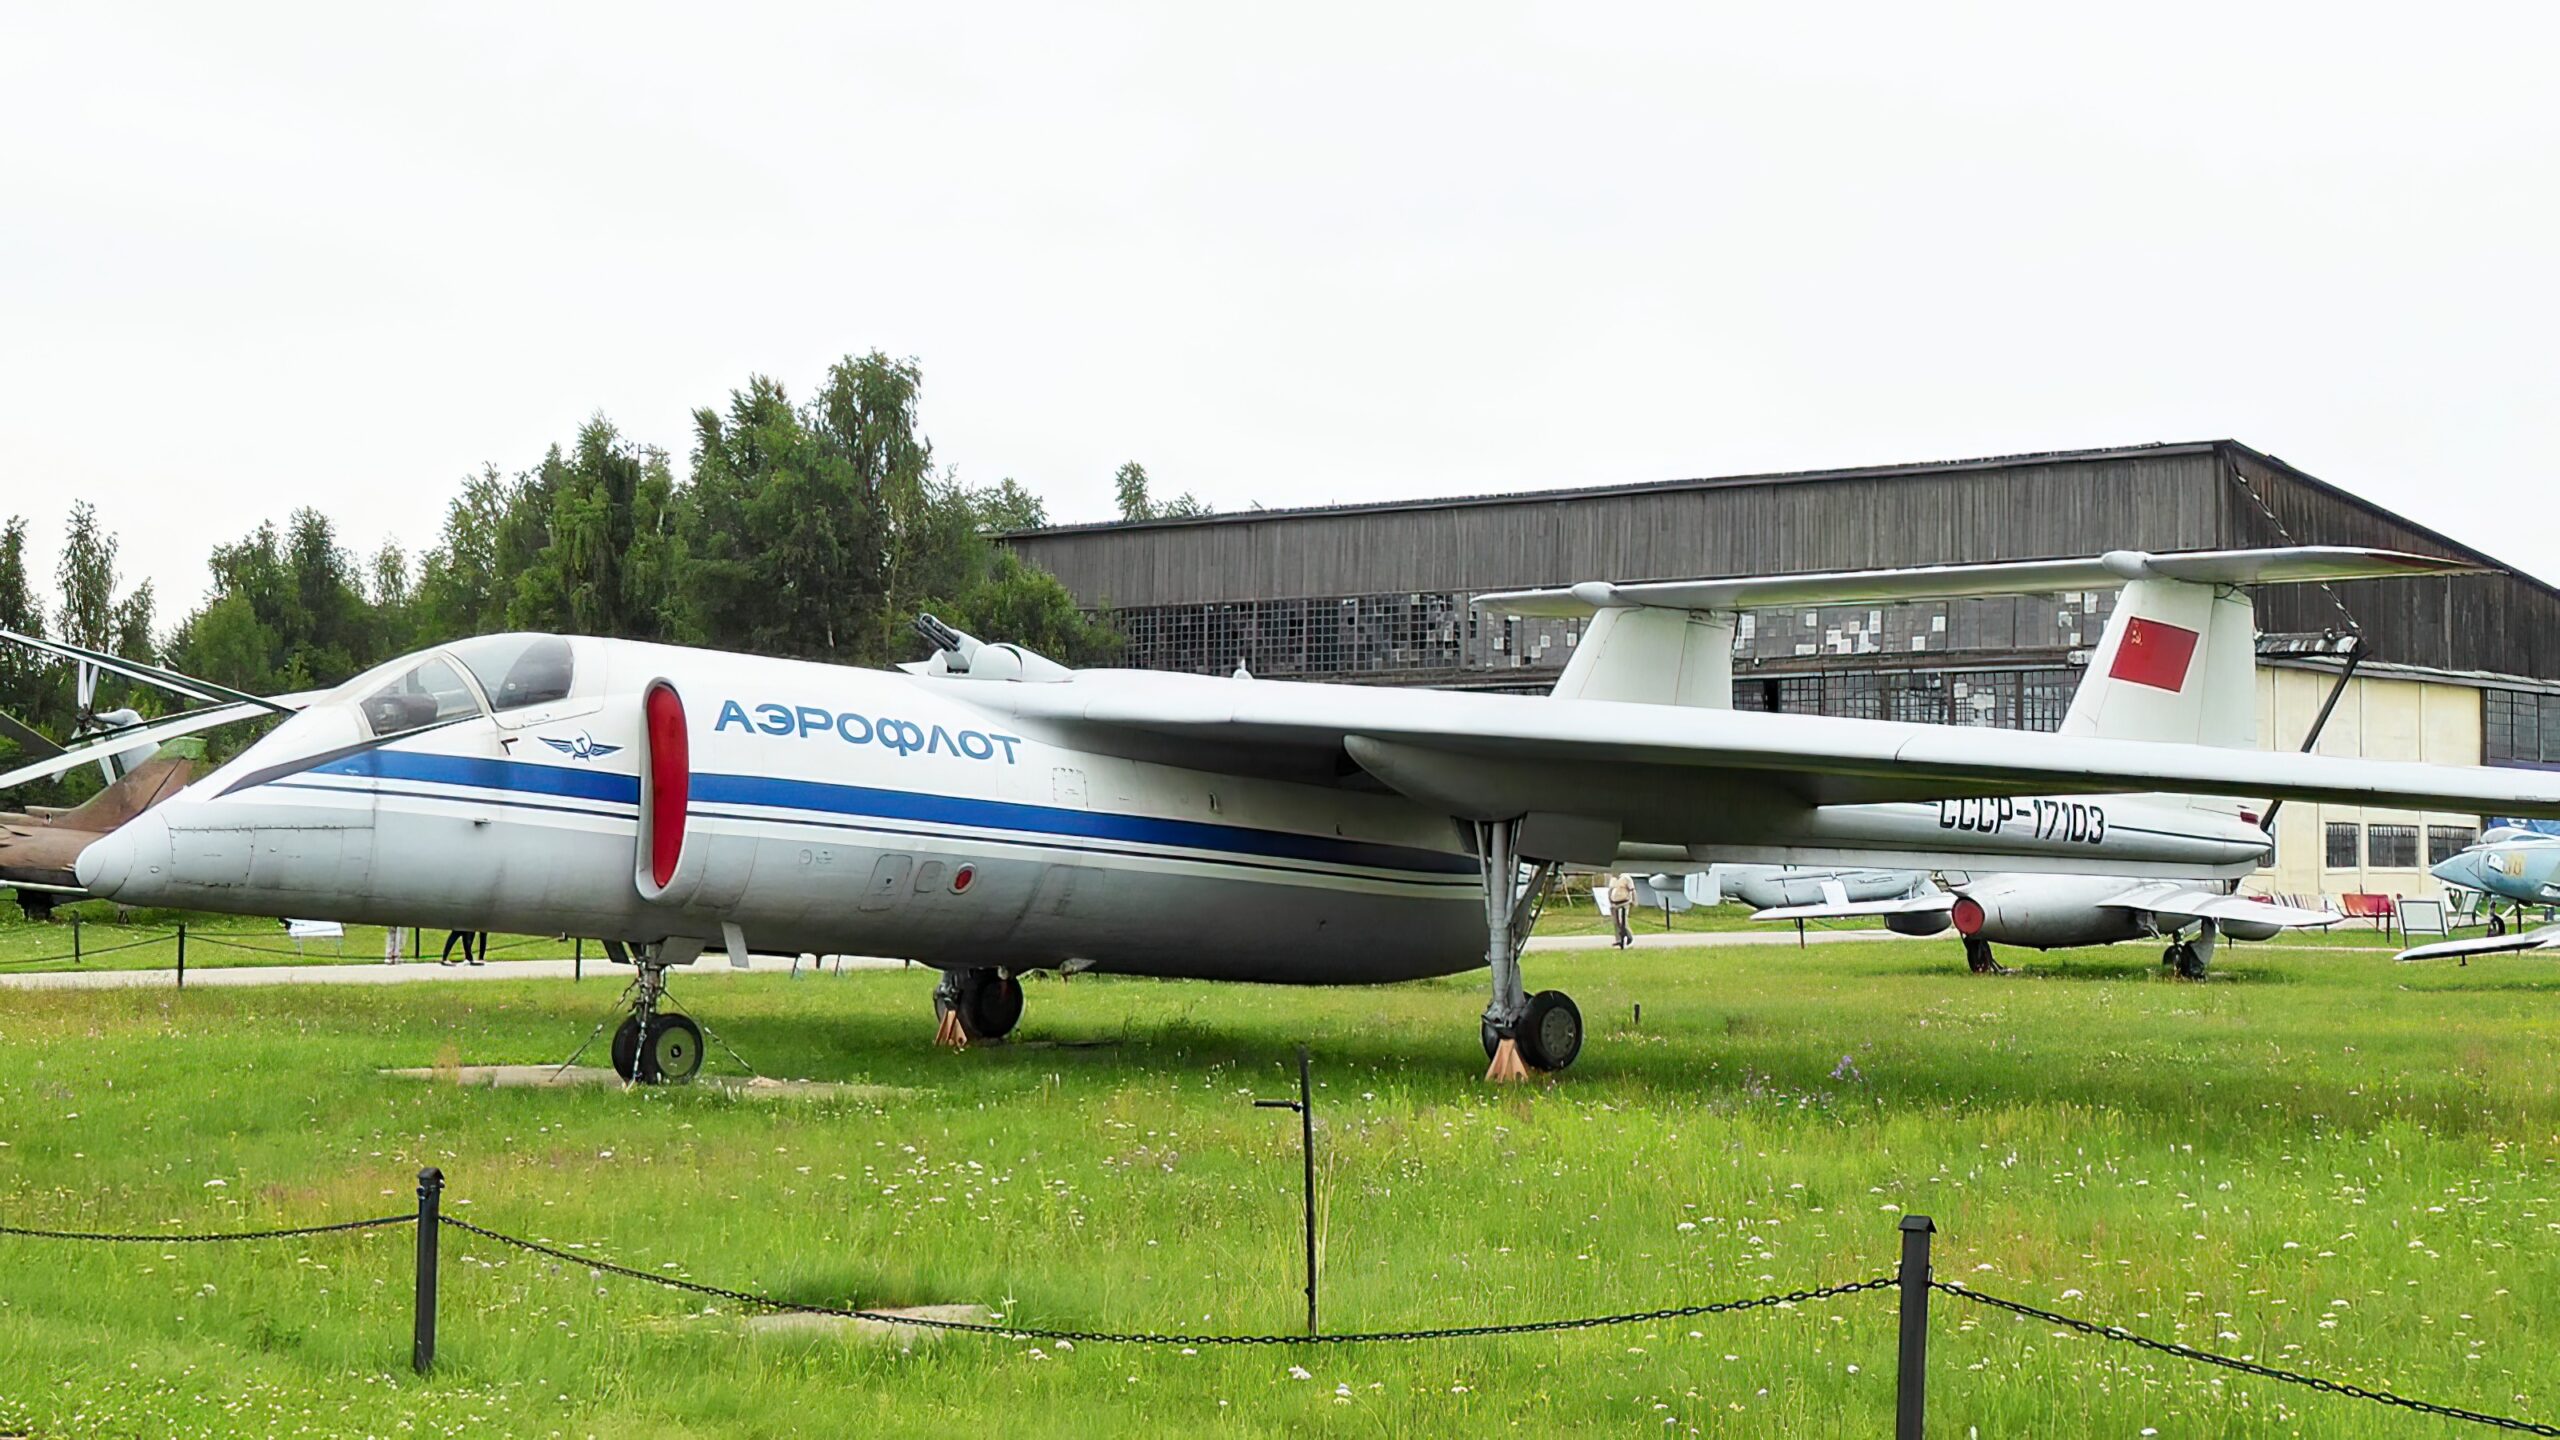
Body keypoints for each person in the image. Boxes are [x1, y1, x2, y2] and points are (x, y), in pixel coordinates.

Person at [1607, 872, 1637, 949]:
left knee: (1622, 921)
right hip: (1614, 903)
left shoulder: (1626, 878)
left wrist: (1634, 901)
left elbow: (1632, 890)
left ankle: (1629, 937)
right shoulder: (1613, 879)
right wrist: (1610, 900)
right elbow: (1610, 890)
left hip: (1624, 902)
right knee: (1615, 922)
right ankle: (1618, 940)